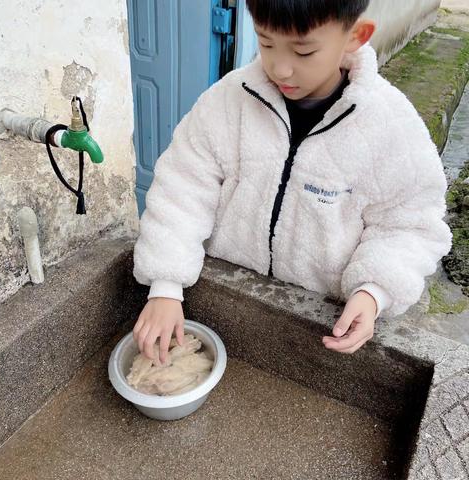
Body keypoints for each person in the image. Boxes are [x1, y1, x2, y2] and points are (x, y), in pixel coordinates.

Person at [132, 0, 452, 363]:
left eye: (304, 50)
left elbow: (410, 225)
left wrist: (374, 291)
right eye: (266, 43)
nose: (281, 68)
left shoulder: (391, 127)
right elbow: (182, 188)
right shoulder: (227, 101)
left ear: (356, 36)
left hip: (317, 322)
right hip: (225, 297)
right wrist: (166, 286)